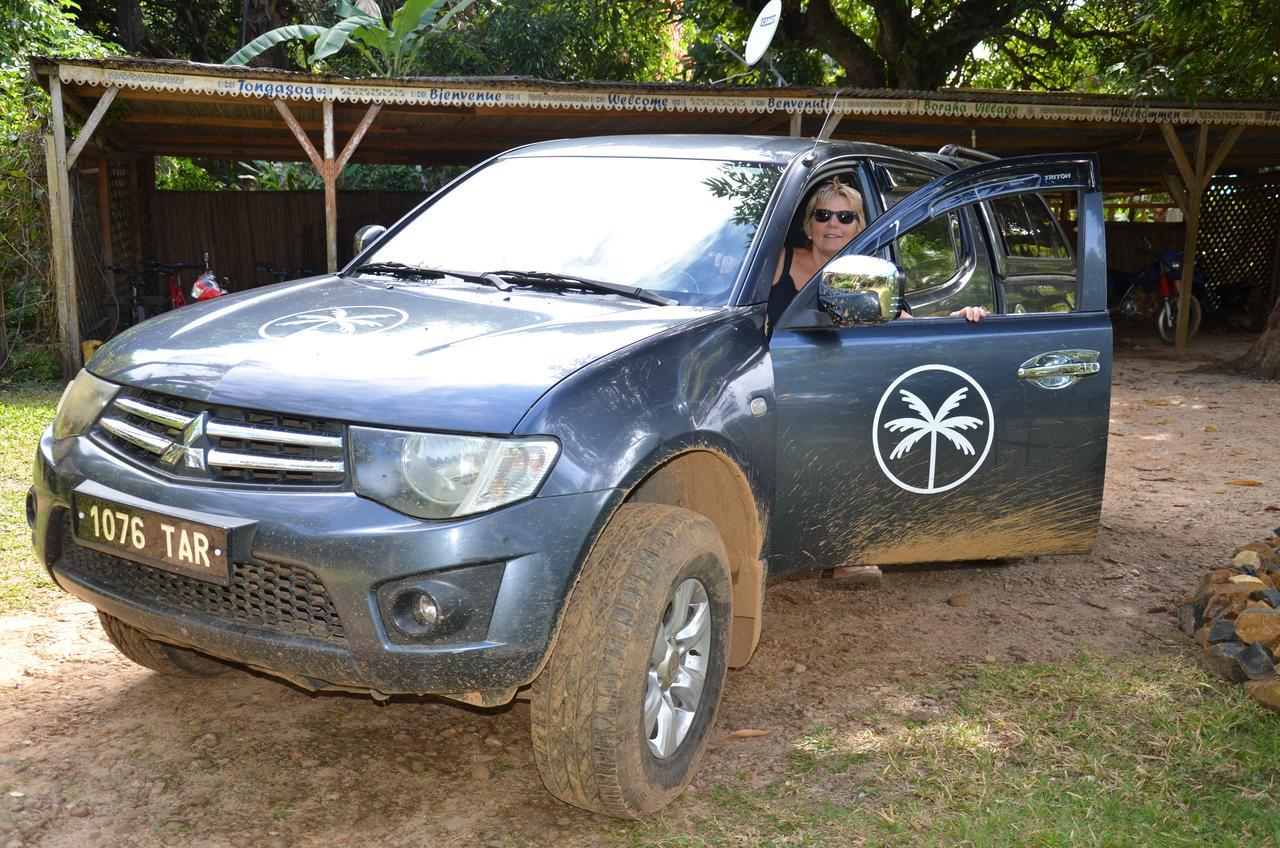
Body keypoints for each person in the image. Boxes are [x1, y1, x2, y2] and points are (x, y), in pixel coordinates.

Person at [766, 176, 990, 331]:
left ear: (859, 229)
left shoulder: (867, 277)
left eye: (845, 217)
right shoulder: (777, 262)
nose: (833, 223)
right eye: (823, 215)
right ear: (809, 226)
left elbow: (907, 325)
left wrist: (954, 322)